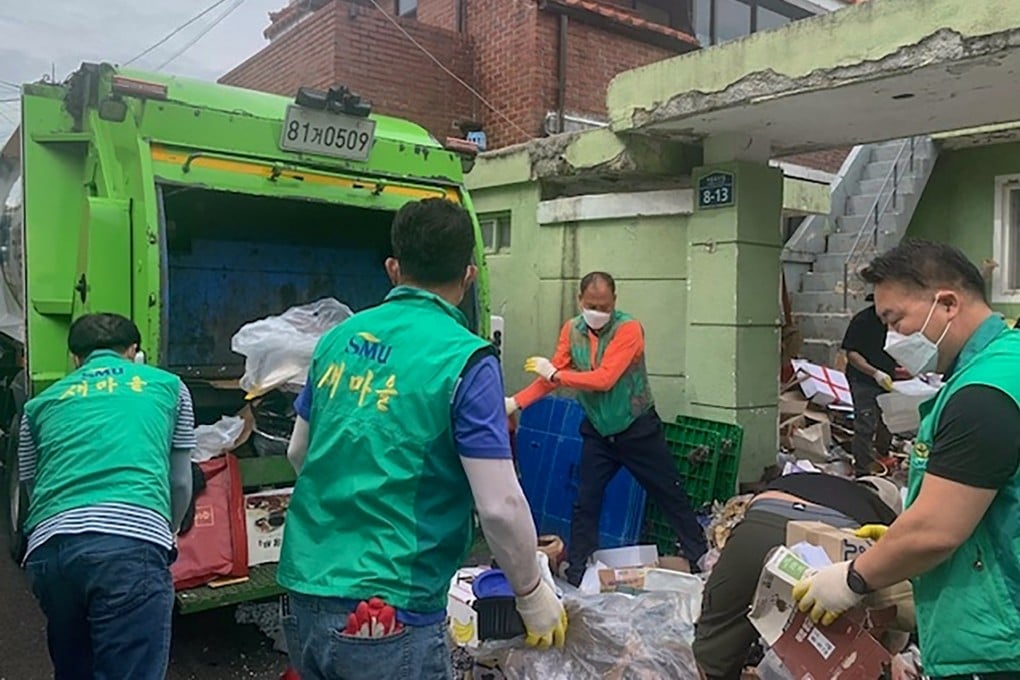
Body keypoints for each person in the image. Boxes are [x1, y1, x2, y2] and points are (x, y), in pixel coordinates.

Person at [279, 198, 566, 680]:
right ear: (468, 275)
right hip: (388, 607)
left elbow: (298, 452)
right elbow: (498, 506)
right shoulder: (465, 359)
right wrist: (532, 593)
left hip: (303, 590)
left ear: (394, 268)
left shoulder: (337, 339)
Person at [792, 240, 1020, 679]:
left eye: (895, 321)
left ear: (947, 303)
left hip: (998, 646)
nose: (891, 339)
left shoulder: (982, 394)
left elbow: (937, 531)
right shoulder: (1005, 362)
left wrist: (852, 578)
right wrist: (901, 537)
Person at [18, 313, 196, 680]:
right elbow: (180, 481)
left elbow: (33, 487)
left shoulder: (38, 405)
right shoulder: (168, 386)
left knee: (73, 669)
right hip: (129, 545)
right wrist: (169, 528)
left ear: (74, 359)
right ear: (133, 352)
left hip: (50, 552)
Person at [506, 272, 707, 585]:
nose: (597, 312)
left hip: (637, 427)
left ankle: (701, 557)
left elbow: (603, 379)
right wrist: (515, 402)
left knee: (669, 492)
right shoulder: (571, 330)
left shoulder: (629, 329)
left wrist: (557, 375)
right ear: (580, 301)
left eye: (604, 306)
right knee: (586, 500)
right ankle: (577, 571)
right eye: (591, 305)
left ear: (615, 301)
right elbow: (550, 376)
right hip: (599, 430)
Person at [692, 473, 901, 680]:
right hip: (832, 548)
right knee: (831, 660)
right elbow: (896, 610)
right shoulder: (885, 520)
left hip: (758, 530)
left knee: (714, 650)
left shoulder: (814, 479)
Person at [841, 293, 898, 475]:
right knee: (865, 423)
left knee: (889, 420)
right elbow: (852, 354)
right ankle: (863, 469)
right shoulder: (862, 321)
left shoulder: (896, 321)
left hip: (889, 378)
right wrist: (874, 373)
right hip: (863, 378)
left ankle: (883, 454)